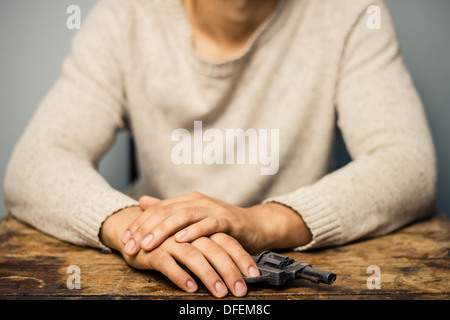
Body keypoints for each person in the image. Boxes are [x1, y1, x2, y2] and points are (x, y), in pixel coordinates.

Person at [4, 0, 437, 298]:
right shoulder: (124, 16)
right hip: (157, 270)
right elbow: (36, 160)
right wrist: (134, 229)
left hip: (283, 274)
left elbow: (408, 163)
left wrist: (260, 221)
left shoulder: (352, 13)